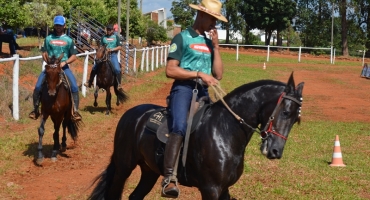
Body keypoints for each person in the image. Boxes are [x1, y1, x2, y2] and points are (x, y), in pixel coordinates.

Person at [161, 0, 228, 198]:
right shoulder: (181, 38)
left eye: (216, 20)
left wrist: (215, 47)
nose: (214, 25)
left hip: (203, 93)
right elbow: (170, 69)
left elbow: (218, 74)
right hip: (183, 89)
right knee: (180, 126)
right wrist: (198, 74)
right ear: (201, 15)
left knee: (213, 130)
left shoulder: (209, 43)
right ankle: (169, 178)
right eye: (212, 19)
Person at [29, 15, 82, 121]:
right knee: (38, 86)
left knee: (75, 87)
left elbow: (74, 56)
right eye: (57, 25)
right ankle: (35, 110)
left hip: (63, 67)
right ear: (54, 25)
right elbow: (44, 52)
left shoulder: (69, 40)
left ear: (64, 26)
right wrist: (46, 58)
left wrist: (65, 62)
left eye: (60, 25)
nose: (58, 27)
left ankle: (75, 111)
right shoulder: (48, 39)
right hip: (50, 68)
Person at [84, 24, 124, 91]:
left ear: (112, 30)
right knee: (95, 67)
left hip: (112, 55)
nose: (108, 31)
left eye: (110, 30)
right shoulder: (103, 37)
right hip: (104, 55)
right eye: (107, 29)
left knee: (117, 69)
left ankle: (119, 84)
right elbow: (100, 46)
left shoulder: (116, 37)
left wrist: (112, 49)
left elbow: (120, 47)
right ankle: (90, 82)